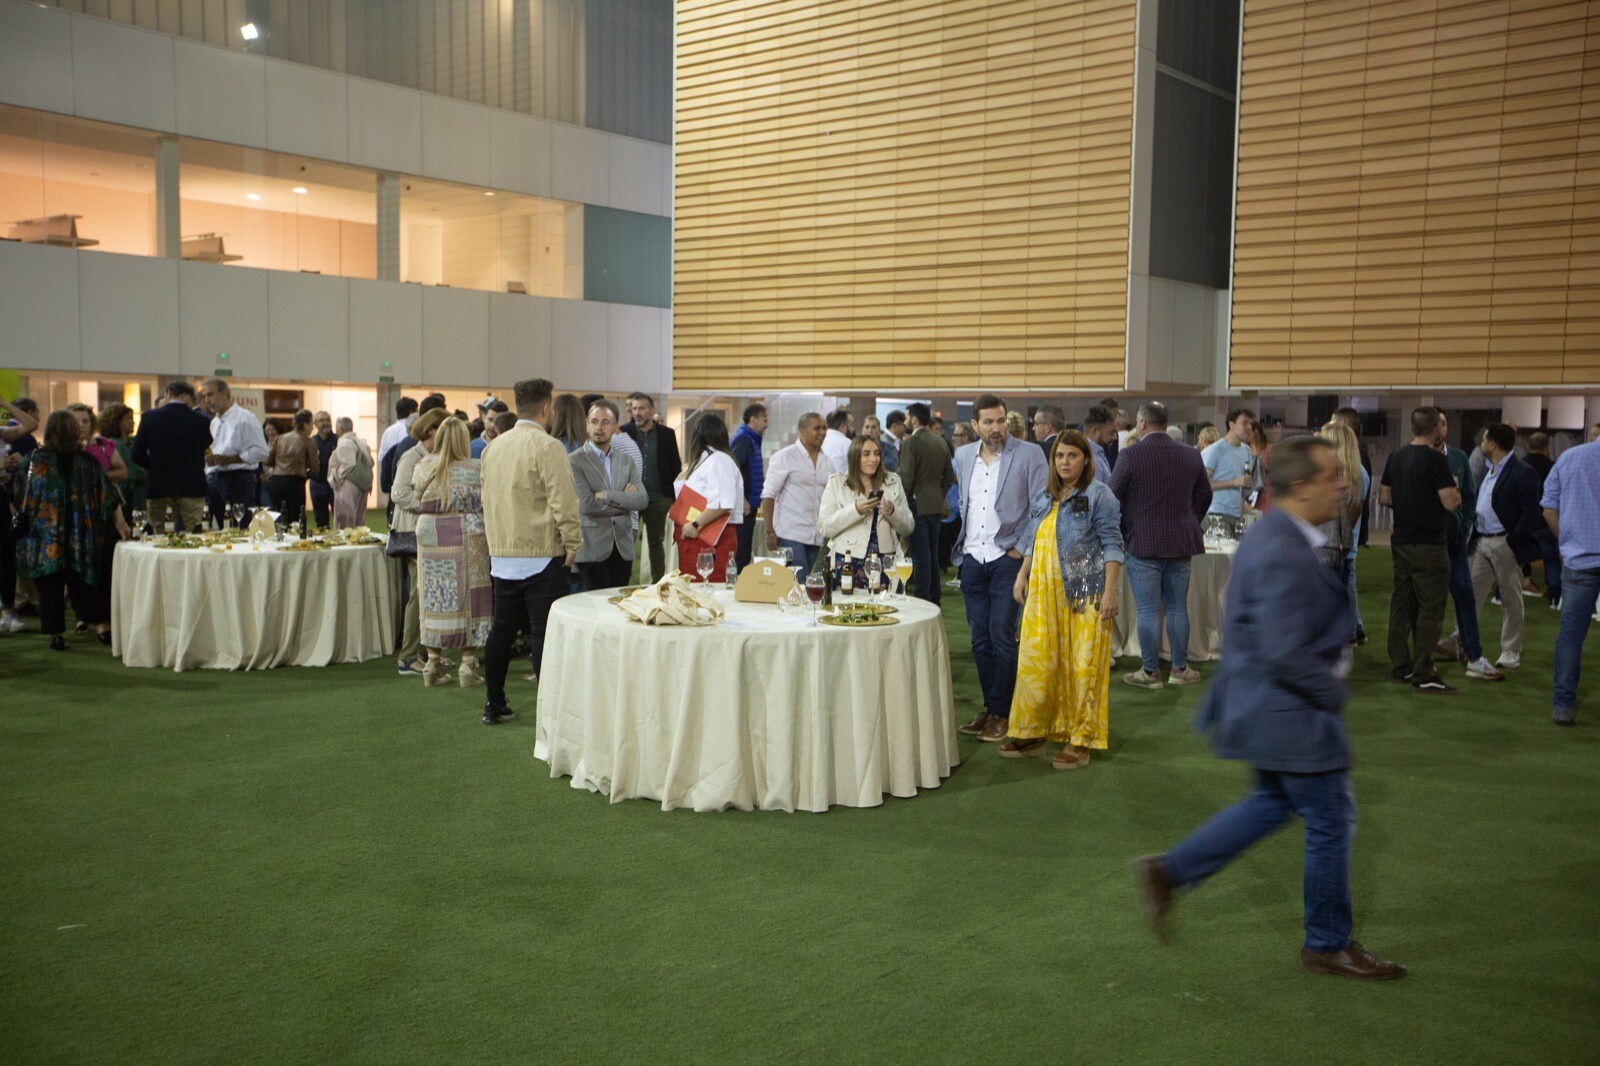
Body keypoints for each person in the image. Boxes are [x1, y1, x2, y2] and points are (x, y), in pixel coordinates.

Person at [1135, 436, 1405, 981]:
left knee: (1271, 805)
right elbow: (1286, 651)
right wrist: (1333, 692)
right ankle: (1327, 943)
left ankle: (1170, 870)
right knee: (1329, 819)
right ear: (1299, 486)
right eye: (1332, 475)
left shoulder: (1279, 537)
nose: (1343, 482)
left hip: (1267, 709)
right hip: (1289, 712)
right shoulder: (1282, 545)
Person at [1002, 430, 1124, 769]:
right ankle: (1034, 731)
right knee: (1036, 661)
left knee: (1082, 667)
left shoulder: (1100, 496)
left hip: (1085, 592)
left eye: (1072, 456)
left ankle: (1080, 739)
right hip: (1042, 594)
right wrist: (1022, 574)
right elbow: (1032, 537)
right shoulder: (1046, 496)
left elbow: (1114, 545)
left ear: (1085, 460)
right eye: (1059, 456)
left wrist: (1111, 590)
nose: (1065, 462)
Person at [482, 378, 582, 724]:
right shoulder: (548, 446)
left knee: (501, 632)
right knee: (543, 633)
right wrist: (572, 542)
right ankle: (548, 711)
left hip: (502, 553)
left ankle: (493, 704)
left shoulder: (493, 447)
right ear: (545, 408)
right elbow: (563, 500)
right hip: (541, 552)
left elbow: (487, 500)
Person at [954, 394, 1049, 742]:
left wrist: (1020, 548)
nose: (997, 428)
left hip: (1007, 558)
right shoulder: (963, 456)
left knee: (1001, 635)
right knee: (979, 640)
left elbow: (1042, 506)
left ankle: (1003, 712)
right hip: (972, 558)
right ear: (975, 425)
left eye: (1001, 421)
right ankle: (992, 708)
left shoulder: (1029, 453)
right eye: (989, 422)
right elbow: (965, 503)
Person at [1109, 401, 1212, 688]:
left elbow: (1111, 497)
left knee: (1147, 610)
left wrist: (1123, 529)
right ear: (1164, 423)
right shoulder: (1191, 454)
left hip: (1142, 542)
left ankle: (1151, 672)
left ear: (1141, 424)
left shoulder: (1130, 455)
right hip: (1181, 541)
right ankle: (1180, 669)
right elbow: (1205, 495)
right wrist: (1190, 519)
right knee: (1178, 608)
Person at [16, 410, 130, 650]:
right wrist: (120, 522)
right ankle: (101, 627)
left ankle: (56, 634)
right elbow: (107, 496)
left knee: (49, 584)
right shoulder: (88, 463)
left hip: (44, 536)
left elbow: (17, 495)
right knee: (87, 581)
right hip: (82, 534)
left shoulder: (33, 461)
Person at [1380, 407, 1462, 693]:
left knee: (1401, 604)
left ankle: (1401, 666)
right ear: (1436, 429)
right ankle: (1424, 671)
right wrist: (1456, 490)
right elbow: (1450, 503)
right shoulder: (1435, 460)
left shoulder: (1396, 456)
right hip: (1429, 545)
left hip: (1401, 541)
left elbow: (1384, 497)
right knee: (1431, 609)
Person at [1455, 423, 1544, 672]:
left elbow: (1531, 512)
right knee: (1470, 595)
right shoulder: (1488, 470)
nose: (1481, 443)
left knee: (1510, 598)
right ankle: (1461, 641)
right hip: (1481, 540)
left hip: (1504, 542)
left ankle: (1510, 651)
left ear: (1493, 444)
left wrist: (1513, 542)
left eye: (1484, 440)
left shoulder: (1523, 472)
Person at [411, 417, 491, 688]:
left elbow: (415, 496)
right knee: (472, 594)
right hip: (469, 534)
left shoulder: (422, 467)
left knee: (435, 596)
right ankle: (468, 666)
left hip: (431, 534)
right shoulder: (476, 468)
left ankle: (432, 664)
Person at [1431, 409, 1501, 681]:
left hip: (1454, 541)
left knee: (1465, 595)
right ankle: (1422, 658)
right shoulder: (1413, 456)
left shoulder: (1459, 458)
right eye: (1435, 424)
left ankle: (1474, 656)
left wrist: (1462, 525)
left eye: (1444, 423)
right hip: (1425, 542)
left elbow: (1470, 495)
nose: (1440, 428)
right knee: (1427, 601)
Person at [1543, 434, 1599, 725]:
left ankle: (1563, 705)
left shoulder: (1569, 458)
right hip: (1581, 558)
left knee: (1571, 636)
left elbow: (1549, 508)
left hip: (1579, 558)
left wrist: (1565, 541)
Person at [391, 407, 449, 678]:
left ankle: (429, 652)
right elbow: (399, 493)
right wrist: (429, 505)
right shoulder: (411, 456)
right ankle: (407, 656)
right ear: (430, 430)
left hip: (430, 532)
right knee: (418, 594)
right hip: (414, 533)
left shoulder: (435, 456)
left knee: (430, 593)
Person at [570, 399, 646, 590]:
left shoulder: (626, 460)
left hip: (622, 547)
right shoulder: (575, 461)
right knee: (595, 612)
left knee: (619, 610)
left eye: (605, 422)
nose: (599, 427)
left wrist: (606, 494)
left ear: (614, 427)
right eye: (594, 422)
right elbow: (586, 505)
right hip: (592, 548)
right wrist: (624, 500)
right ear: (587, 426)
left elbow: (642, 500)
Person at [818, 435, 913, 586]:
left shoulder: (894, 481)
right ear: (855, 457)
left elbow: (908, 527)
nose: (874, 459)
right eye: (866, 454)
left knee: (885, 608)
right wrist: (855, 510)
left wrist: (893, 511)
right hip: (847, 562)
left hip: (885, 563)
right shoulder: (836, 482)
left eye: (877, 453)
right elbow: (825, 528)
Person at [1317, 421, 1373, 648]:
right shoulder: (1359, 474)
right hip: (1344, 544)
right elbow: (1354, 513)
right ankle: (1348, 631)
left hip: (1325, 544)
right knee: (1344, 590)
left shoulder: (1327, 472)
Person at [131, 380, 210, 532]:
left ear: (168, 394)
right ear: (188, 396)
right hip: (192, 485)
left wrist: (154, 466)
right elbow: (205, 446)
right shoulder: (201, 420)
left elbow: (136, 454)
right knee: (195, 532)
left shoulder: (149, 417)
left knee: (160, 533)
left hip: (160, 485)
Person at [672, 411, 743, 583]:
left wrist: (695, 524)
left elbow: (722, 504)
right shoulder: (707, 460)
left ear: (697, 435)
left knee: (708, 589)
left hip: (709, 538)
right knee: (694, 590)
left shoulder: (719, 460)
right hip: (698, 537)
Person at [898, 402, 957, 603]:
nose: (905, 421)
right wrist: (938, 494)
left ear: (914, 419)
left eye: (907, 417)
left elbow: (906, 478)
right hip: (935, 505)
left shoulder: (911, 443)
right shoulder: (940, 441)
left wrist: (902, 504)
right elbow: (950, 476)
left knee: (921, 557)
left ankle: (923, 600)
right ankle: (934, 599)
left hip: (917, 505)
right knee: (931, 556)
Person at [760, 413, 833, 575]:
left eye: (824, 428)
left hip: (818, 537)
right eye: (817, 428)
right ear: (802, 430)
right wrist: (769, 531)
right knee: (796, 586)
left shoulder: (827, 461)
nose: (822, 432)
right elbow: (768, 495)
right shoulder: (784, 457)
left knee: (814, 586)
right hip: (790, 535)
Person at [620, 392, 682, 583]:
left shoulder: (667, 434)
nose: (637, 412)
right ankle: (626, 583)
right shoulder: (624, 432)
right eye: (635, 408)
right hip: (631, 499)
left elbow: (675, 467)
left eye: (642, 408)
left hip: (658, 499)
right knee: (627, 543)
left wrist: (670, 497)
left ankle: (658, 584)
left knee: (656, 544)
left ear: (651, 410)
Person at [199, 377, 268, 528]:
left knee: (240, 526)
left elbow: (262, 451)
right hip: (214, 478)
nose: (206, 400)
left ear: (224, 393)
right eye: (204, 396)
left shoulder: (245, 418)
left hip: (238, 479)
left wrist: (230, 459)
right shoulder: (214, 422)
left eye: (210, 395)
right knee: (223, 528)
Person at [1, 396, 42, 633]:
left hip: (2, 496)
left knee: (7, 557)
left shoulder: (3, 433)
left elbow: (31, 425)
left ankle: (8, 612)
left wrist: (5, 405)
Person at [1522, 431, 1561, 609]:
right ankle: (1554, 597)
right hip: (1545, 519)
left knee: (1517, 557)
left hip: (1523, 519)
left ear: (1528, 446)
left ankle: (1503, 594)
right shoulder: (1555, 466)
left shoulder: (1520, 465)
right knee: (1550, 558)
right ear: (1547, 448)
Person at [1202, 408, 1256, 536]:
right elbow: (1202, 484)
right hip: (1216, 514)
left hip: (1237, 515)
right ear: (1231, 424)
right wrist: (1234, 482)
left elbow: (1244, 485)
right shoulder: (1216, 450)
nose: (1249, 427)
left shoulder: (1246, 451)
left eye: (1251, 424)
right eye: (1245, 423)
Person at [265, 409, 319, 527]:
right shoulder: (308, 441)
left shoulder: (279, 438)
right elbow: (315, 469)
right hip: (295, 483)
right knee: (295, 521)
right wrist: (306, 474)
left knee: (278, 518)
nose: (312, 428)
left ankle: (278, 542)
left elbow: (268, 461)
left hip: (276, 481)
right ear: (305, 425)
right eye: (311, 425)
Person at [729, 402, 768, 569]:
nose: (767, 424)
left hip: (749, 504)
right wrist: (742, 499)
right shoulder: (744, 439)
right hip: (743, 506)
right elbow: (733, 469)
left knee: (744, 550)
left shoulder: (751, 439)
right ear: (753, 420)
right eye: (764, 419)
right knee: (741, 552)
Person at [1332, 407, 1374, 549]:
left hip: (1343, 544)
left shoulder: (1358, 462)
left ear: (1342, 423)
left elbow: (1358, 503)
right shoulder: (1347, 460)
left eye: (1332, 424)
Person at [98, 403, 146, 514]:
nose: (132, 422)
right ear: (116, 421)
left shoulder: (132, 441)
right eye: (128, 419)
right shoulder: (115, 444)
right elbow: (134, 470)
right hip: (129, 498)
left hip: (140, 497)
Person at [327, 417, 373, 529]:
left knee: (345, 520)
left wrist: (336, 473)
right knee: (358, 520)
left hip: (348, 484)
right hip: (361, 484)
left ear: (340, 429)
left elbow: (349, 464)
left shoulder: (345, 442)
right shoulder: (361, 443)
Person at [941, 423, 974, 576]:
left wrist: (953, 478)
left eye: (957, 435)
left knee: (963, 544)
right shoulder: (958, 455)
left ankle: (963, 574)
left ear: (966, 437)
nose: (953, 438)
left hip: (964, 509)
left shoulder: (972, 455)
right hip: (953, 508)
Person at [308, 411, 337, 529]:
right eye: (321, 420)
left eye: (327, 420)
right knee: (321, 522)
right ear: (315, 424)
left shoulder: (338, 440)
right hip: (317, 485)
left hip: (335, 486)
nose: (325, 423)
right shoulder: (311, 441)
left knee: (340, 520)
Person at [1080, 405, 1116, 485]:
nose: (1115, 437)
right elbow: (1096, 496)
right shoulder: (1090, 459)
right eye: (1111, 433)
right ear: (1095, 432)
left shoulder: (1096, 454)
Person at [822, 409, 853, 473]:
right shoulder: (847, 443)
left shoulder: (820, 441)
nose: (852, 429)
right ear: (842, 427)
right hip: (840, 482)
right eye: (850, 425)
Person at [257, 421, 279, 506]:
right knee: (268, 507)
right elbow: (257, 461)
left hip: (278, 481)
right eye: (267, 430)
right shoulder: (261, 445)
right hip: (264, 482)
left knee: (278, 508)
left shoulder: (283, 443)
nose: (270, 432)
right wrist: (261, 474)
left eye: (273, 429)